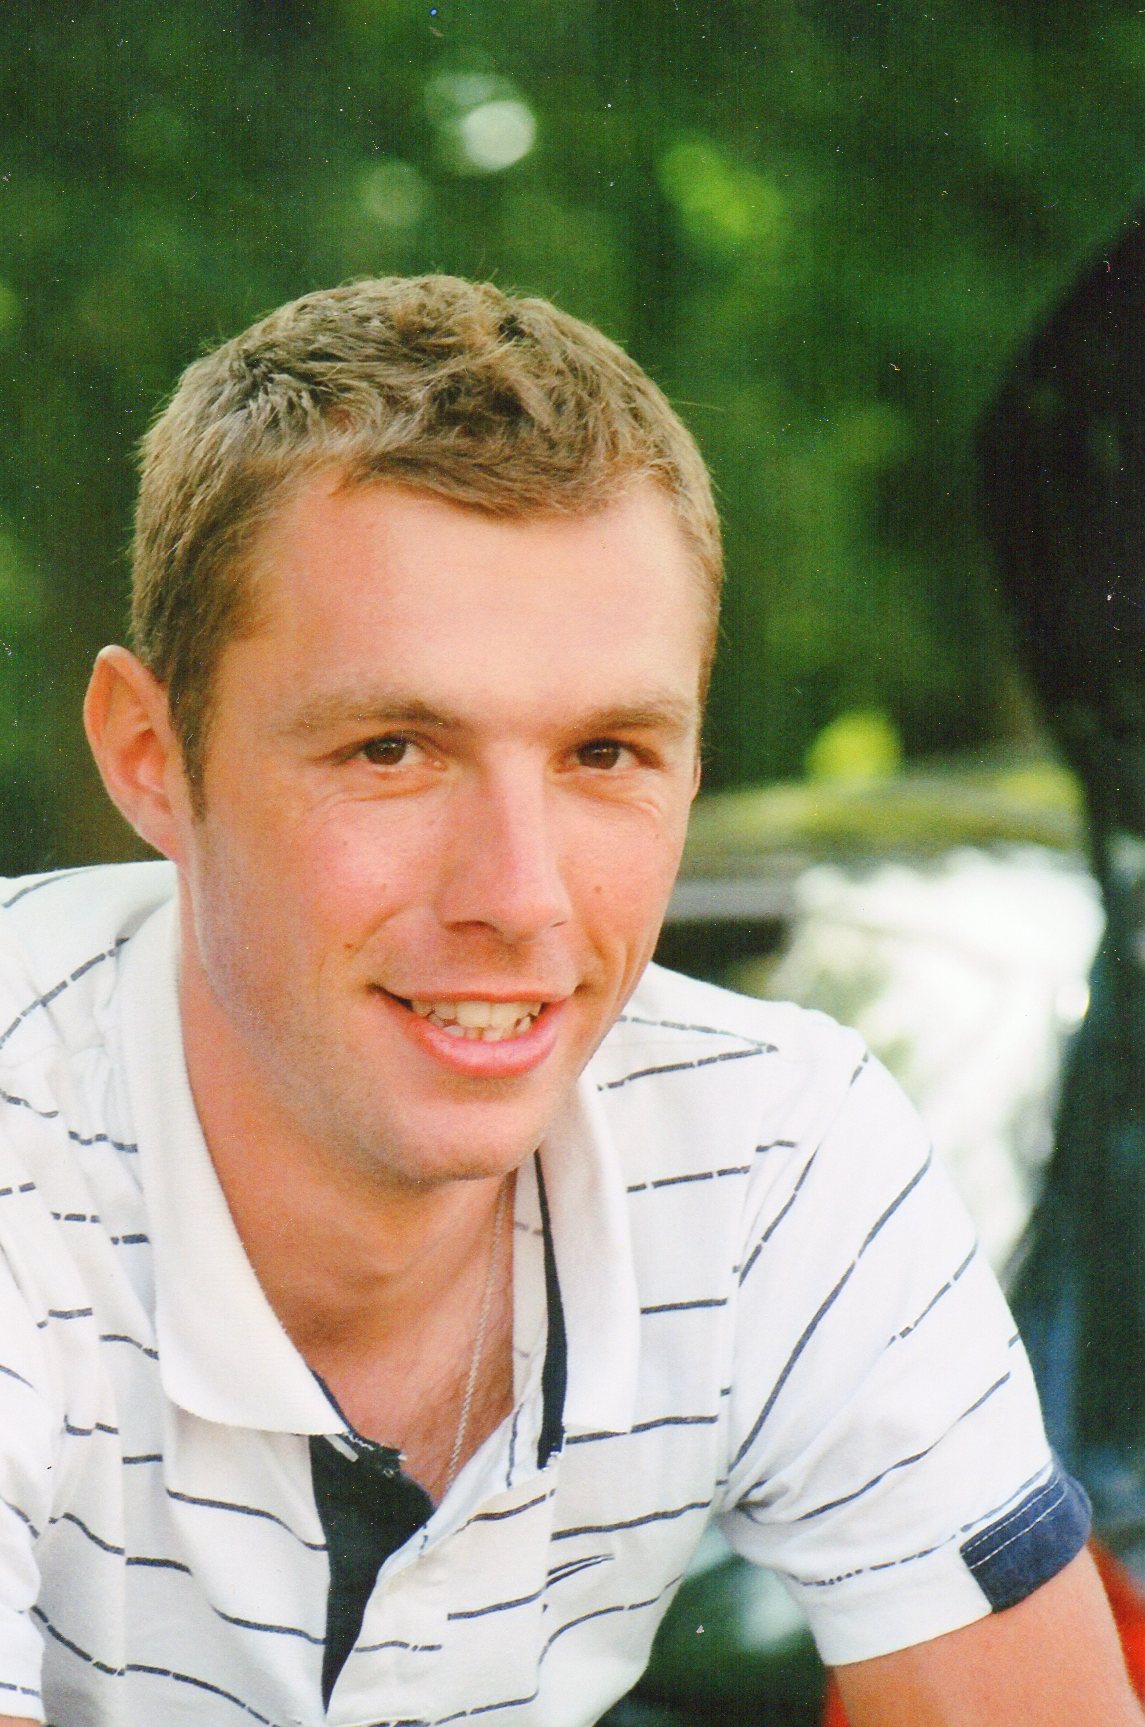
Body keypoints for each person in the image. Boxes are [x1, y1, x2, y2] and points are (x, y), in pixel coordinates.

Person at [0, 276, 1136, 1727]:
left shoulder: (774, 1153)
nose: (521, 895)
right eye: (391, 749)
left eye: (604, 755)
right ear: (152, 757)